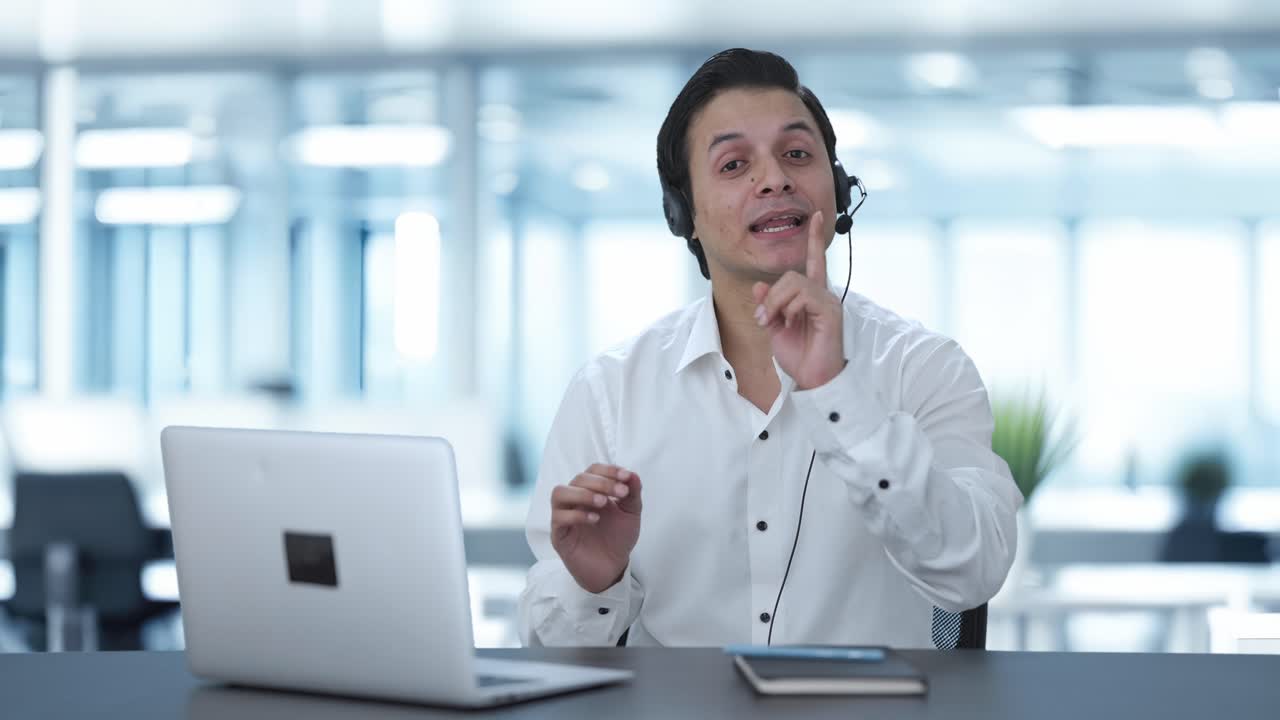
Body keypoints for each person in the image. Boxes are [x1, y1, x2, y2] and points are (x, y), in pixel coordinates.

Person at [517, 48, 1021, 648]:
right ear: (684, 215)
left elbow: (973, 573)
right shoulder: (609, 391)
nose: (775, 178)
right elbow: (548, 654)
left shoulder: (926, 367)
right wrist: (595, 584)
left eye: (798, 154)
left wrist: (838, 393)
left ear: (835, 191)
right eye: (734, 165)